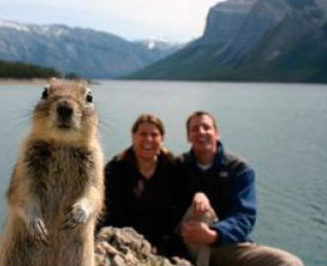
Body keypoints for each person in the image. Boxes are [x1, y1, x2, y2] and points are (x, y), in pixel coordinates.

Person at [174, 111, 303, 266]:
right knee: (202, 212)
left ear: (217, 134)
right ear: (188, 136)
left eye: (206, 127)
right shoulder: (177, 166)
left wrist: (214, 234)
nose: (201, 132)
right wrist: (198, 196)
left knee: (289, 263)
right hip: (188, 242)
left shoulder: (239, 169)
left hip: (224, 244)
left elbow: (244, 216)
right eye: (195, 129)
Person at [99, 114, 180, 256]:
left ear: (162, 138)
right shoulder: (116, 169)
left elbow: (179, 210)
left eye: (154, 135)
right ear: (133, 136)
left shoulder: (173, 168)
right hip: (124, 242)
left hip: (165, 245)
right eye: (143, 134)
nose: (148, 139)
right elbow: (107, 211)